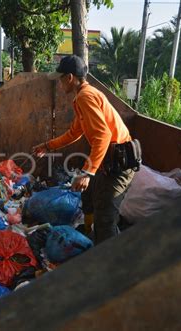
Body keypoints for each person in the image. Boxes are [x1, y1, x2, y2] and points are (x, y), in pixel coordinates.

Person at [32, 55, 138, 245]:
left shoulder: (85, 97)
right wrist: (47, 146)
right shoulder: (83, 96)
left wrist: (88, 172)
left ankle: (110, 261)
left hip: (119, 164)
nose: (59, 83)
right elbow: (74, 133)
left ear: (70, 77)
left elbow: (103, 135)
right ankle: (90, 235)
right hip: (106, 161)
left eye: (60, 78)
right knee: (88, 198)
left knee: (105, 220)